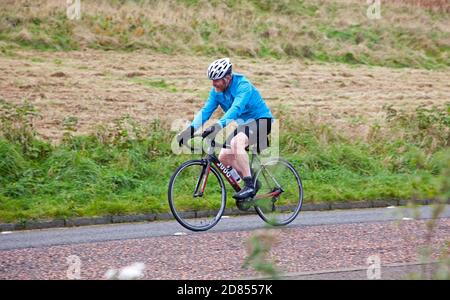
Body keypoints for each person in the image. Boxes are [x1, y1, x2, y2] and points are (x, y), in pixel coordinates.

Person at [177, 58, 273, 201]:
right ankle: (252, 183)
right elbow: (205, 111)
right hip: (243, 125)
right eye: (212, 80)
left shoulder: (243, 85)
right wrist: (190, 130)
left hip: (261, 121)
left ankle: (249, 185)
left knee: (236, 143)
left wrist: (219, 125)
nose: (213, 83)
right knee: (223, 157)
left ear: (227, 78)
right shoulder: (216, 91)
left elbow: (236, 108)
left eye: (217, 80)